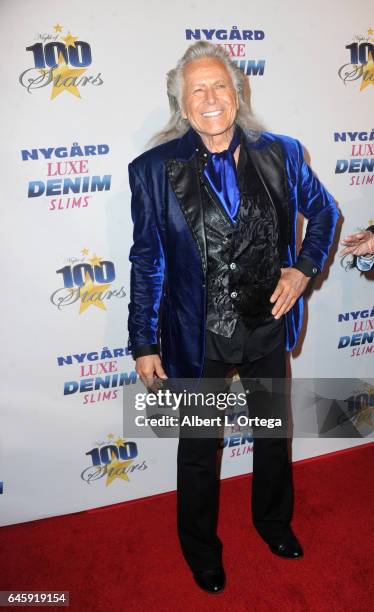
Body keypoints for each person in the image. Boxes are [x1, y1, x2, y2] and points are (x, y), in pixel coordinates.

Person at [127, 41, 339, 593]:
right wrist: (143, 342)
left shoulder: (283, 152)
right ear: (182, 104)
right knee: (199, 448)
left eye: (219, 85)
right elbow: (146, 258)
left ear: (238, 92)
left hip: (267, 321)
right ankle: (201, 550)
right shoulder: (152, 170)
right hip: (197, 334)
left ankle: (273, 522)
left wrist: (302, 270)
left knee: (272, 433)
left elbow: (324, 213)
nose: (210, 97)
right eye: (197, 89)